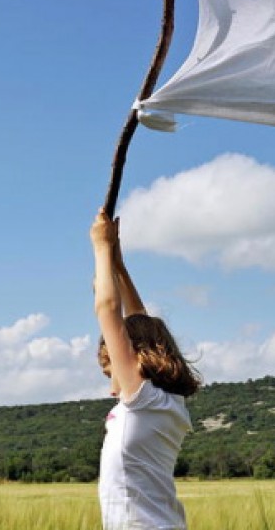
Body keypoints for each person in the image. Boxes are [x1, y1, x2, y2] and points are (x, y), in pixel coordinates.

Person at [90, 208, 201, 530]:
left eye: (113, 372)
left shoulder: (144, 400)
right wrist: (118, 264)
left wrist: (100, 247)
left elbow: (108, 309)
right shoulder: (168, 404)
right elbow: (139, 319)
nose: (113, 388)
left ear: (136, 357)